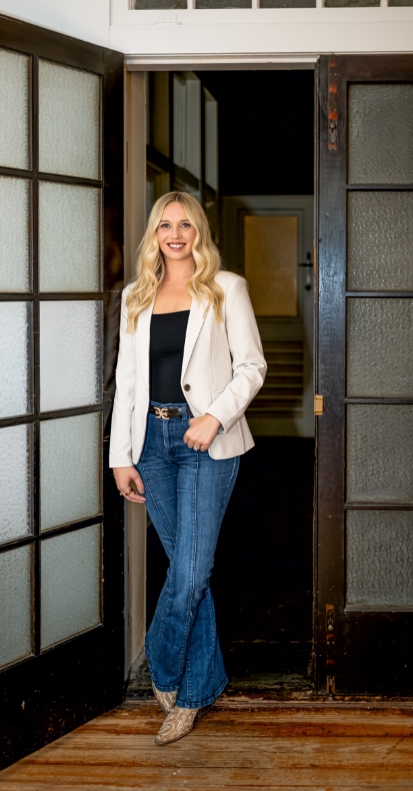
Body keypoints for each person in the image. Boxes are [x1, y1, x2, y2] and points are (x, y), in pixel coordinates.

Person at [109, 191, 267, 746]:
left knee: (193, 570)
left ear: (199, 231)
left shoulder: (226, 289)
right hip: (150, 440)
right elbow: (126, 383)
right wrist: (119, 457)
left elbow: (252, 367)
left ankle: (162, 661)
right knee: (185, 567)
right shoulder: (136, 296)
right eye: (164, 225)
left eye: (185, 224)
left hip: (207, 440)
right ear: (154, 235)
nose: (175, 234)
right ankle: (200, 690)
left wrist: (216, 418)